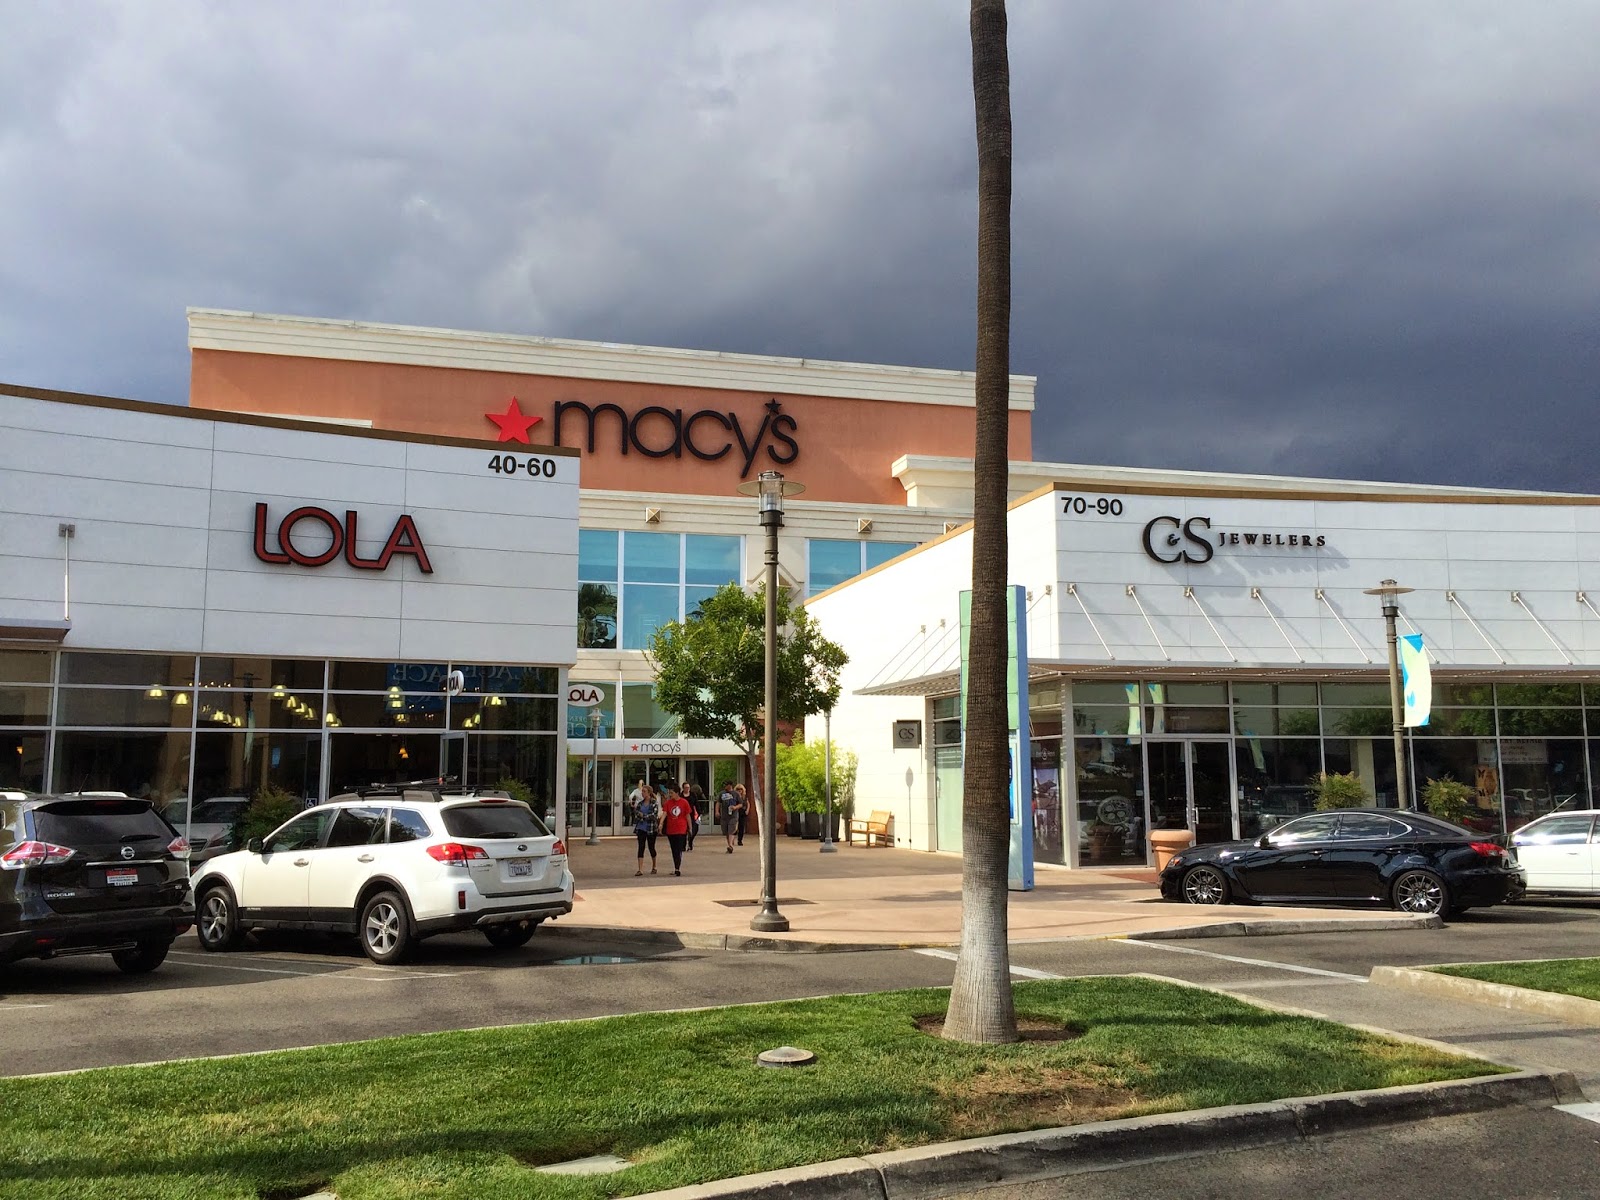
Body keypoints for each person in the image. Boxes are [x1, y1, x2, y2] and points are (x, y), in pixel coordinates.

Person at [659, 783, 695, 876]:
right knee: (673, 849)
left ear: (677, 793)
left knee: (678, 849)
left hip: (681, 828)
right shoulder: (668, 803)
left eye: (672, 793)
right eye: (669, 793)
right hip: (671, 829)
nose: (670, 795)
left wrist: (690, 828)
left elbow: (688, 816)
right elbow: (665, 813)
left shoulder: (684, 802)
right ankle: (676, 866)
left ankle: (677, 868)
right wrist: (661, 823)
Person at [632, 784, 659, 876]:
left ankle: (654, 866)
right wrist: (641, 816)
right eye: (642, 791)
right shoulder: (640, 803)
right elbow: (636, 815)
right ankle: (640, 869)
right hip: (641, 828)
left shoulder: (654, 803)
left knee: (651, 847)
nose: (642, 793)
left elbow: (654, 816)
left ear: (649, 793)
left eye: (644, 791)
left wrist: (643, 816)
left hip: (651, 828)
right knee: (641, 847)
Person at [718, 782, 742, 853]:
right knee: (726, 831)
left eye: (727, 785)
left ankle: (730, 845)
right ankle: (729, 845)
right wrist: (717, 811)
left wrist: (735, 807)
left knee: (731, 830)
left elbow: (741, 804)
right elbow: (718, 803)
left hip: (733, 816)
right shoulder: (721, 794)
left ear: (730, 786)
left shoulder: (736, 794)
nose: (725, 787)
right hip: (724, 816)